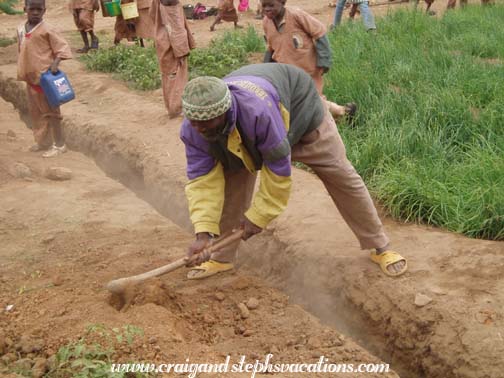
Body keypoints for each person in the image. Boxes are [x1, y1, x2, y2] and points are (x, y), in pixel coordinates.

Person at [180, 63, 408, 280]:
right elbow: (202, 182)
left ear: (224, 111)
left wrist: (257, 218)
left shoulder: (258, 113)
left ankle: (380, 246)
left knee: (341, 175)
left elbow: (278, 173)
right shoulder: (196, 129)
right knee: (232, 187)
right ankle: (221, 258)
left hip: (302, 115)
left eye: (206, 122)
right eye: (194, 122)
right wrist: (203, 234)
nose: (199, 128)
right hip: (243, 133)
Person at [261, 0, 356, 122]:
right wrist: (265, 69)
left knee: (312, 98)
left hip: (307, 67)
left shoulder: (296, 15)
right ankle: (341, 113)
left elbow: (319, 32)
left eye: (271, 5)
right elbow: (270, 47)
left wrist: (324, 60)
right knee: (298, 100)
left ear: (282, 2)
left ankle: (340, 113)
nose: (267, 9)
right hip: (286, 71)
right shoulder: (266, 22)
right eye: (264, 6)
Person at [17, 0, 72, 158]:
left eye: (39, 9)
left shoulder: (48, 29)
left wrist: (55, 63)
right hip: (30, 77)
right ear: (25, 9)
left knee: (52, 113)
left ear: (44, 10)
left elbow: (61, 48)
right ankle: (43, 142)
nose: (35, 12)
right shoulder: (21, 29)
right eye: (32, 9)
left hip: (46, 79)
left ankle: (60, 144)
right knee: (36, 112)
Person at [150, 0, 195, 118]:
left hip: (163, 41)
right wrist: (181, 50)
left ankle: (172, 107)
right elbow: (176, 27)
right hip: (172, 45)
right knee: (177, 76)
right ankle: (176, 109)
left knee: (169, 76)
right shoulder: (171, 3)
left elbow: (152, 15)